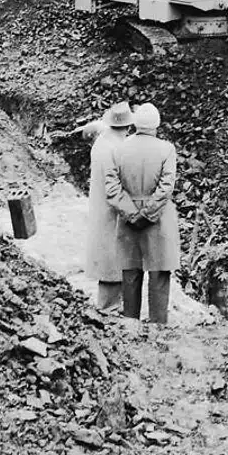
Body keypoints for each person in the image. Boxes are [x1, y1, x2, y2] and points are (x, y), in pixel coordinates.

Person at [105, 102, 180, 325]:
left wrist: (131, 213)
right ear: (156, 125)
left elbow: (111, 188)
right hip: (158, 220)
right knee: (159, 276)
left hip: (128, 221)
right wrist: (147, 214)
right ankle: (158, 329)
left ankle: (131, 329)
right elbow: (166, 187)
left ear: (135, 123)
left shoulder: (118, 149)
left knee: (130, 275)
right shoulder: (166, 149)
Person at [80, 101, 136, 310]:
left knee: (109, 258)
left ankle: (112, 306)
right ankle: (110, 310)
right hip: (114, 212)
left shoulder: (102, 141)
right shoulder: (119, 150)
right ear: (129, 126)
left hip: (100, 208)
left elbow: (95, 129)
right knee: (114, 262)